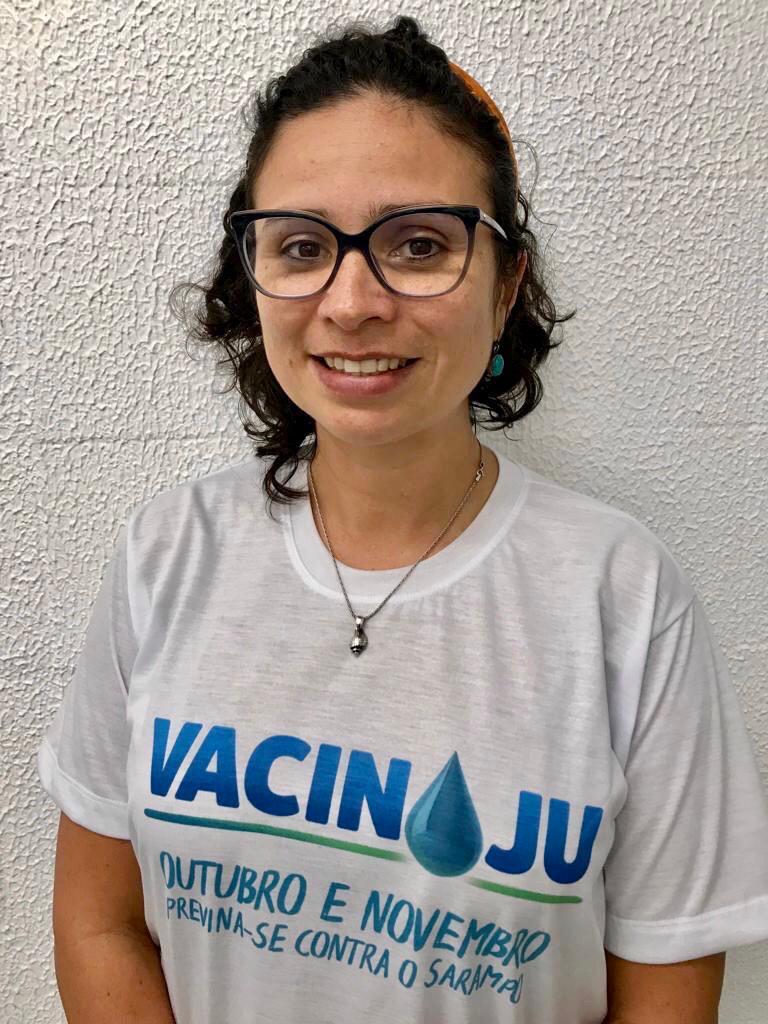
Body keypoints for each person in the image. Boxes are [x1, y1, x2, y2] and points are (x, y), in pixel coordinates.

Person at [36, 14, 768, 1024]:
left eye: (419, 245)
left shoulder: (624, 597)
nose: (352, 302)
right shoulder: (166, 554)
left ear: (507, 285)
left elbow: (667, 994)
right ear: (255, 276)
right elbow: (100, 923)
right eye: (302, 246)